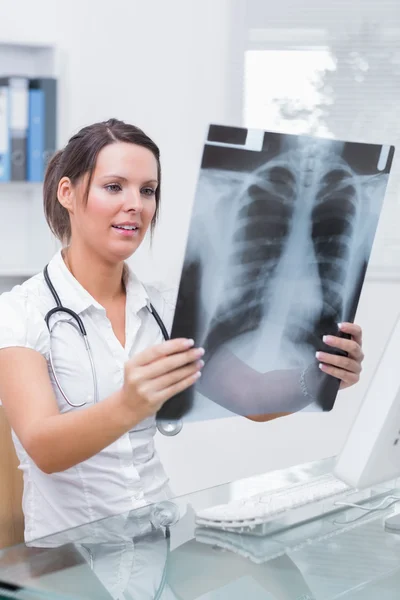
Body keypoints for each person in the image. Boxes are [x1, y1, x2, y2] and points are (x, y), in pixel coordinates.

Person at [0, 119, 364, 543]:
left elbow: (252, 397)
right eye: (114, 187)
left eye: (148, 190)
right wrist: (129, 404)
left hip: (163, 538)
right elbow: (44, 447)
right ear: (68, 193)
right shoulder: (19, 311)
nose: (135, 204)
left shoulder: (165, 308)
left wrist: (321, 376)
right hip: (70, 560)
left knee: (285, 571)